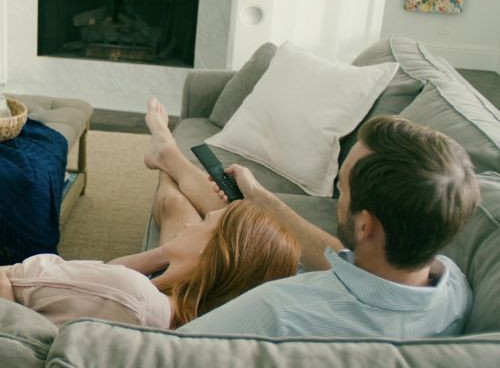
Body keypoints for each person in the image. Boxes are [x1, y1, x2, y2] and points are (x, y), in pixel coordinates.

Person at [141, 97, 481, 338]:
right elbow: (360, 269)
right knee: (237, 214)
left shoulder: (276, 310)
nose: (338, 197)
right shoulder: (452, 289)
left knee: (175, 205)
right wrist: (261, 198)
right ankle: (168, 155)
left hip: (205, 306)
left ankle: (166, 161)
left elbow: (166, 353)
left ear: (364, 226)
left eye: (342, 188)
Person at [0, 193, 301, 330]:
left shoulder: (130, 297)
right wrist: (162, 255)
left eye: (207, 224)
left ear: (221, 254)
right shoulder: (155, 305)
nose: (196, 222)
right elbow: (103, 277)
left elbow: (101, 284)